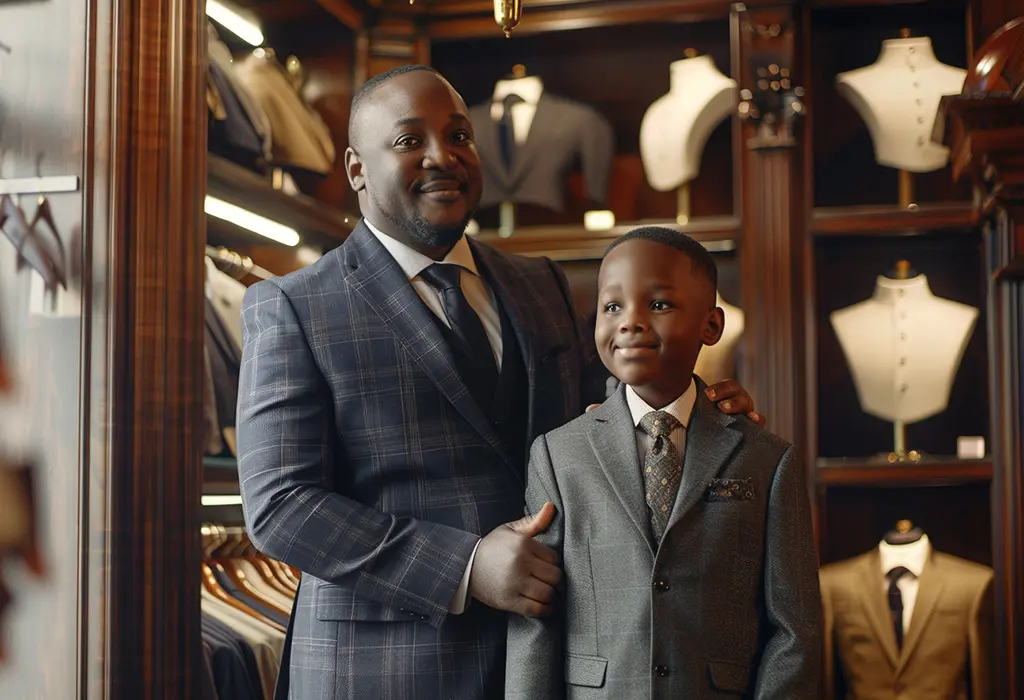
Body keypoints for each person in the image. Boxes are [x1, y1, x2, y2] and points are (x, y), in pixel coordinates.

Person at [235, 65, 762, 700]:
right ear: (355, 169)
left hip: (547, 658)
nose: (443, 156)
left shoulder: (538, 283)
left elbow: (596, 427)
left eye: (459, 135)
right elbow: (281, 506)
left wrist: (689, 412)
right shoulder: (293, 305)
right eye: (408, 141)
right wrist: (465, 568)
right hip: (381, 670)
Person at [505, 227, 822, 700]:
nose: (630, 322)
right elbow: (536, 619)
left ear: (711, 326)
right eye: (612, 307)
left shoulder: (768, 459)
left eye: (657, 305)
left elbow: (795, 631)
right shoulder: (557, 454)